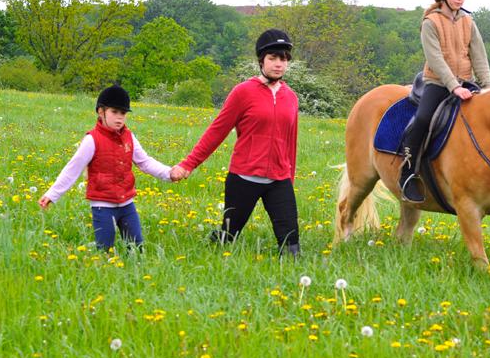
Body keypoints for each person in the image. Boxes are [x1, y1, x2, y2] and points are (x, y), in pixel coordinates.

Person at [171, 29, 301, 256]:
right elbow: (216, 131)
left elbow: (291, 141)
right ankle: (204, 253)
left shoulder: (291, 98)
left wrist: (290, 180)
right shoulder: (243, 92)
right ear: (261, 60)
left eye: (283, 59)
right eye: (273, 58)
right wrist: (188, 164)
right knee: (228, 236)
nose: (278, 64)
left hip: (279, 180)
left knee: (291, 245)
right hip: (244, 178)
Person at [39, 85, 174, 251]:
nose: (119, 118)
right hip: (102, 206)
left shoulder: (129, 137)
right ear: (101, 112)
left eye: (123, 113)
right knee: (104, 250)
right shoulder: (92, 140)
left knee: (137, 249)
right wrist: (52, 194)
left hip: (127, 205)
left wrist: (169, 173)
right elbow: (72, 169)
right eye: (114, 112)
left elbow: (145, 162)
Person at [398, 0, 490, 203]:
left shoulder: (469, 22)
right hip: (438, 83)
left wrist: (487, 86)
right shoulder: (431, 22)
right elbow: (435, 59)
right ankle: (408, 172)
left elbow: (479, 56)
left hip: (466, 82)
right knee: (422, 119)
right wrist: (454, 86)